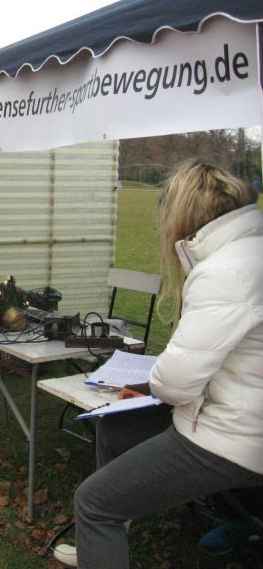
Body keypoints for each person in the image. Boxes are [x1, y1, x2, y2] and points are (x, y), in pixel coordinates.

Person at [61, 161, 263, 568]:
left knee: (93, 503)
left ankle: (104, 527)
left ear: (183, 216)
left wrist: (153, 382)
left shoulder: (224, 271)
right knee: (115, 428)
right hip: (235, 413)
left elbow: (175, 385)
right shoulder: (246, 250)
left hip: (233, 434)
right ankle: (109, 536)